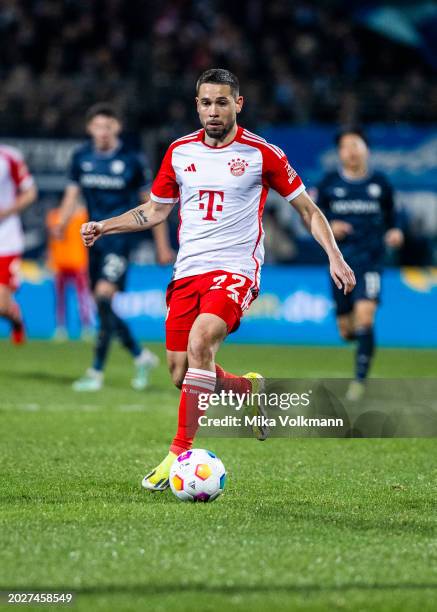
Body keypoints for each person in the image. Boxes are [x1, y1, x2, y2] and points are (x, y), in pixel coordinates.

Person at [80, 69, 355, 490]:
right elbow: (154, 211)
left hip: (235, 269)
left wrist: (334, 255)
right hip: (188, 270)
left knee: (202, 340)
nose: (213, 110)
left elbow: (307, 210)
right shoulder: (178, 152)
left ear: (237, 104)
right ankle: (250, 389)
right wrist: (105, 226)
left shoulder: (263, 154)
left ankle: (176, 457)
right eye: (206, 102)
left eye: (222, 102)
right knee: (181, 372)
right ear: (197, 105)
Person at [55, 103, 174, 391]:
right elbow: (73, 193)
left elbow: (153, 205)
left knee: (103, 296)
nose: (103, 132)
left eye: (109, 126)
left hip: (120, 239)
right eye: (98, 126)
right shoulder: (81, 157)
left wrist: (163, 245)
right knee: (101, 303)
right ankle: (140, 354)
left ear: (117, 128)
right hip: (91, 241)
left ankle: (96, 371)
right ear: (90, 128)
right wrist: (62, 221)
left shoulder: (132, 160)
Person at [316, 127, 404, 400]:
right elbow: (312, 218)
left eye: (356, 145)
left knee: (366, 316)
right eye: (345, 147)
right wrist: (331, 224)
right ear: (339, 153)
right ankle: (363, 341)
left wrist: (394, 231)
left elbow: (393, 217)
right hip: (340, 263)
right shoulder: (330, 184)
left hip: (371, 261)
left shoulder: (380, 184)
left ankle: (359, 381)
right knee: (347, 330)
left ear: (366, 149)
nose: (351, 151)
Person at [0, 144, 37, 344]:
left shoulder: (9, 157)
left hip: (5, 239)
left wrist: (5, 212)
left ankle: (15, 318)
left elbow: (30, 193)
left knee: (1, 306)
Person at [46, 204, 93, 340]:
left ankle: (86, 327)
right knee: (60, 298)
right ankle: (61, 328)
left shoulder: (81, 215)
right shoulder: (54, 216)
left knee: (82, 298)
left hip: (78, 263)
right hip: (60, 263)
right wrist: (51, 259)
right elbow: (52, 240)